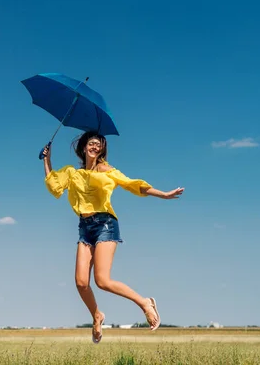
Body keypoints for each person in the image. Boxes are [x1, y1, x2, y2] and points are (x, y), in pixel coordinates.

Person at [41, 130, 184, 343]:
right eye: (92, 143)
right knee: (81, 283)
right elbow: (54, 185)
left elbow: (134, 184)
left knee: (102, 281)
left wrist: (163, 194)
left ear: (102, 150)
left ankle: (145, 303)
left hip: (105, 225)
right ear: (83, 147)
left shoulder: (107, 170)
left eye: (99, 145)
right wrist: (47, 160)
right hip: (84, 226)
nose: (95, 147)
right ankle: (97, 315)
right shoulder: (72, 173)